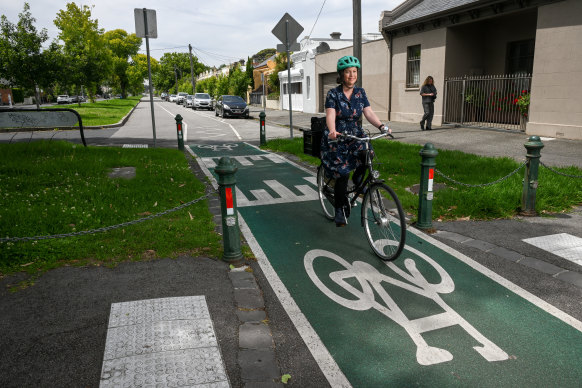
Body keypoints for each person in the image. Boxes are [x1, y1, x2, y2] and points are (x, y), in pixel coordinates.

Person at [320, 55, 391, 227]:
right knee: (343, 173)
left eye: (354, 71)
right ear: (341, 74)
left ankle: (359, 180)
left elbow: (368, 113)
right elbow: (330, 115)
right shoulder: (333, 93)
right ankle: (339, 209)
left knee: (367, 155)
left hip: (356, 133)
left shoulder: (361, 92)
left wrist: (382, 126)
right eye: (347, 72)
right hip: (338, 136)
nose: (351, 75)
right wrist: (332, 131)